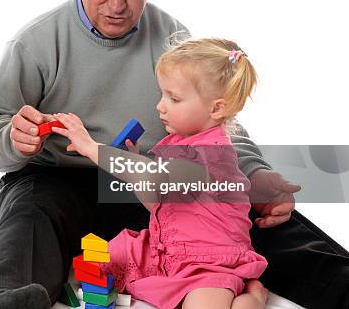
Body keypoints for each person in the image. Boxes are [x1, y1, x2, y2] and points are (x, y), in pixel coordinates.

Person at [0, 0, 349, 309]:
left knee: (238, 219)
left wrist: (255, 174)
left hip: (151, 182)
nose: (117, 2)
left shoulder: (172, 38)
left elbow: (218, 125)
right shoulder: (37, 42)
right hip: (59, 182)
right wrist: (12, 137)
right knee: (27, 220)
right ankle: (6, 300)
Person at [52, 38, 269, 309]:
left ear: (216, 108)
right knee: (100, 258)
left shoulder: (211, 156)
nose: (160, 106)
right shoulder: (177, 142)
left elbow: (148, 176)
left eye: (174, 99)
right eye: (162, 94)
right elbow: (157, 204)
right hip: (165, 248)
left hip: (209, 263)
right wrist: (136, 160)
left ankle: (254, 296)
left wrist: (92, 147)